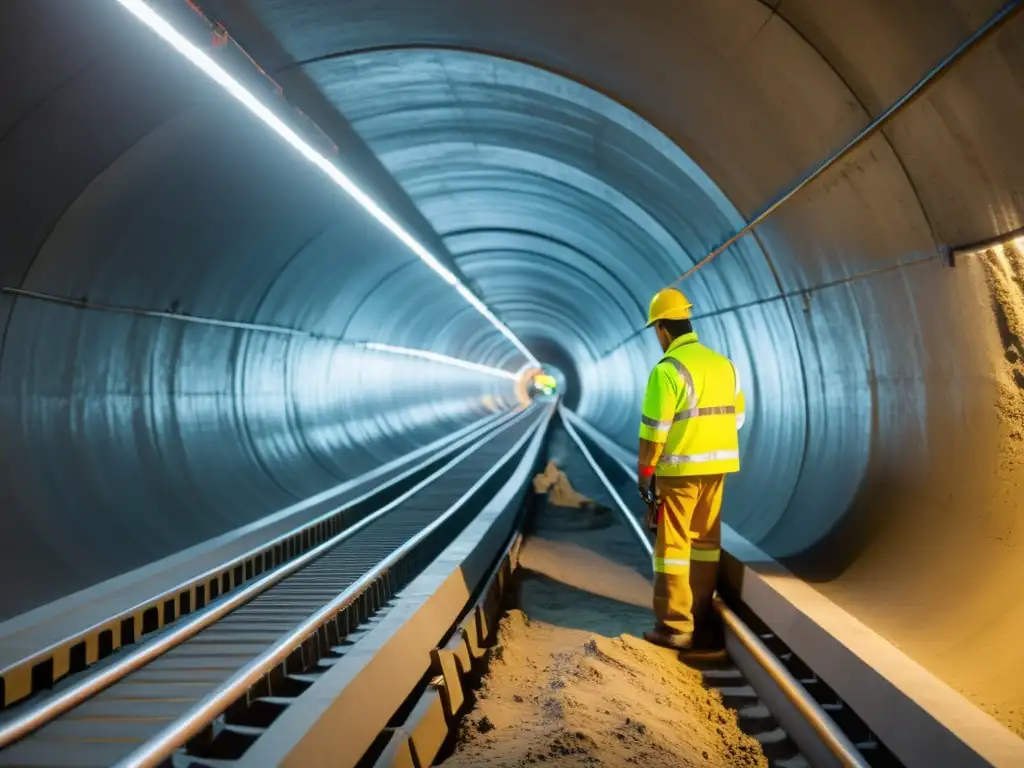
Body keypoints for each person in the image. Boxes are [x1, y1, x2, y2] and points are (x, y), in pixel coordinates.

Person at [637, 288, 746, 650]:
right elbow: (738, 418)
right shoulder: (724, 365)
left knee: (672, 547)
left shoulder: (667, 371)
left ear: (662, 329)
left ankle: (675, 626)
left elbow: (654, 432)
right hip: (718, 469)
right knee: (704, 544)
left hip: (679, 471)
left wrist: (645, 476)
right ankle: (701, 619)